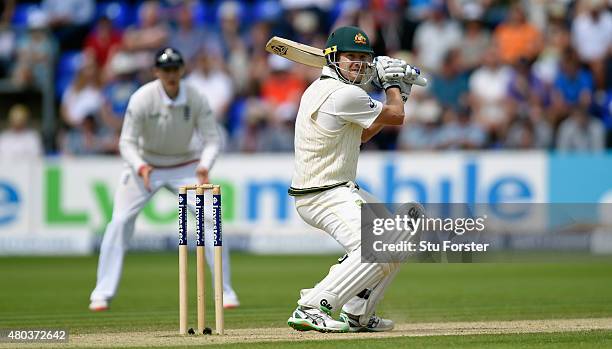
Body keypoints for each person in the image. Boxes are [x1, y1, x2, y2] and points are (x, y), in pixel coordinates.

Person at [286, 26, 420, 333]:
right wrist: (393, 86)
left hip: (338, 189)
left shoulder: (335, 92)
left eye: (363, 57)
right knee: (378, 246)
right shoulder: (342, 94)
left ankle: (358, 312)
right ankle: (312, 306)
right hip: (322, 193)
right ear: (333, 59)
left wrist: (399, 94)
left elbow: (364, 135)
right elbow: (396, 116)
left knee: (404, 231)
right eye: (351, 57)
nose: (358, 64)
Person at [89, 47, 240, 311]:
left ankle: (225, 292)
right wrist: (140, 167)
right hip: (146, 165)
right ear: (156, 71)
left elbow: (212, 139)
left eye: (175, 69)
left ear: (182, 70)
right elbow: (126, 143)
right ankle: (101, 293)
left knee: (212, 220)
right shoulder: (142, 98)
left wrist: (204, 166)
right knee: (120, 221)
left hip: (187, 166)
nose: (170, 74)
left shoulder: (195, 97)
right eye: (165, 69)